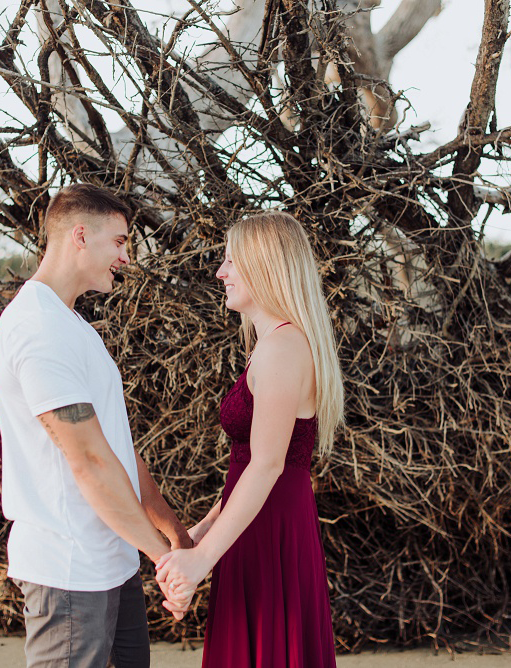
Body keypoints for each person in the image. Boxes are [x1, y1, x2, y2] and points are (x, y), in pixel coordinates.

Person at [0, 183, 193, 668]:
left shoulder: (72, 326)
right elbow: (88, 461)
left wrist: (173, 533)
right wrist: (165, 563)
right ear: (80, 235)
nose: (125, 258)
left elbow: (115, 447)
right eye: (120, 242)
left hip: (112, 565)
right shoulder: (38, 329)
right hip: (68, 573)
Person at [155, 212, 344, 667]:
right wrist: (201, 534)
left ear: (267, 265)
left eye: (231, 260)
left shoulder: (283, 347)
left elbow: (267, 467)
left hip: (270, 530)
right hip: (258, 522)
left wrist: (202, 562)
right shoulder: (278, 345)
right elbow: (250, 465)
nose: (221, 272)